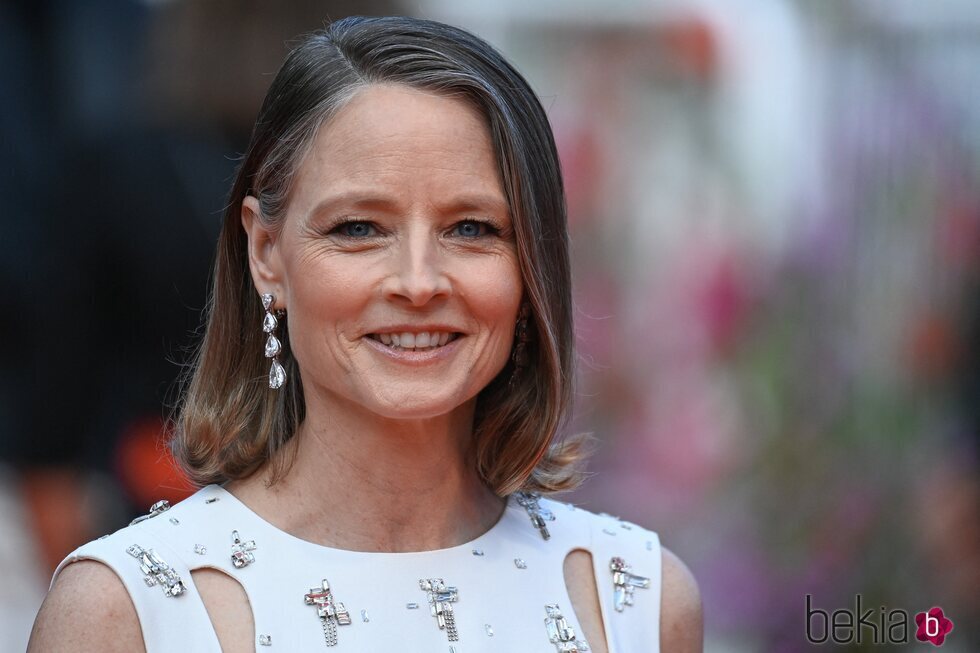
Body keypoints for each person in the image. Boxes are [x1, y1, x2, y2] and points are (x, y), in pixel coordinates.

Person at [29, 16, 702, 652]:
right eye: (359, 228)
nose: (417, 282)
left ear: (532, 263)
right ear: (267, 253)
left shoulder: (634, 599)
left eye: (471, 228)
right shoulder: (126, 609)